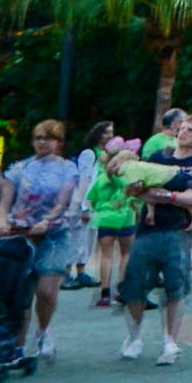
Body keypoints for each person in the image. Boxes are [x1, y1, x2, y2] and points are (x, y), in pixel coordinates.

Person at [121, 112, 192, 364]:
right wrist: (159, 194)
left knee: (175, 286)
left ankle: (169, 341)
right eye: (182, 128)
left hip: (179, 231)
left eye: (191, 130)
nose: (184, 133)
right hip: (148, 231)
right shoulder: (157, 157)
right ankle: (134, 337)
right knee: (134, 285)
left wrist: (167, 197)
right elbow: (138, 189)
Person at [0, 119, 81, 359]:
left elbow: (63, 202)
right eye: (38, 138)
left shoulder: (68, 169)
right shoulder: (20, 168)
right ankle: (17, 344)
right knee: (19, 291)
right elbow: (5, 200)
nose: (42, 142)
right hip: (20, 233)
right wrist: (2, 222)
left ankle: (43, 331)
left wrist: (48, 220)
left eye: (48, 138)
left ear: (59, 142)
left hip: (52, 234)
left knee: (45, 291)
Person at [85, 129, 136, 307]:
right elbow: (137, 200)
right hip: (126, 217)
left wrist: (100, 208)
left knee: (105, 255)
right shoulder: (129, 178)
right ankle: (121, 289)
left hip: (105, 219)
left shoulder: (101, 178)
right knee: (126, 253)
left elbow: (91, 199)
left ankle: (104, 293)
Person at [64, 120, 110, 291]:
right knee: (77, 238)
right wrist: (84, 206)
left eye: (111, 132)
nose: (109, 136)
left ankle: (82, 271)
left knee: (89, 239)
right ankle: (66, 273)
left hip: (98, 203)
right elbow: (86, 181)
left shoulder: (105, 154)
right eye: (106, 132)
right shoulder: (89, 154)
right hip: (86, 203)